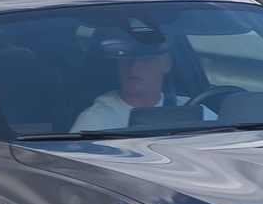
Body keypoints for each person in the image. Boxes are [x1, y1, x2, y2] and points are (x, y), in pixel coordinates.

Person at [70, 31, 217, 132]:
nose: (135, 66)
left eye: (146, 59)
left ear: (167, 65)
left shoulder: (190, 109)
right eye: (128, 58)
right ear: (118, 64)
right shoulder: (97, 120)